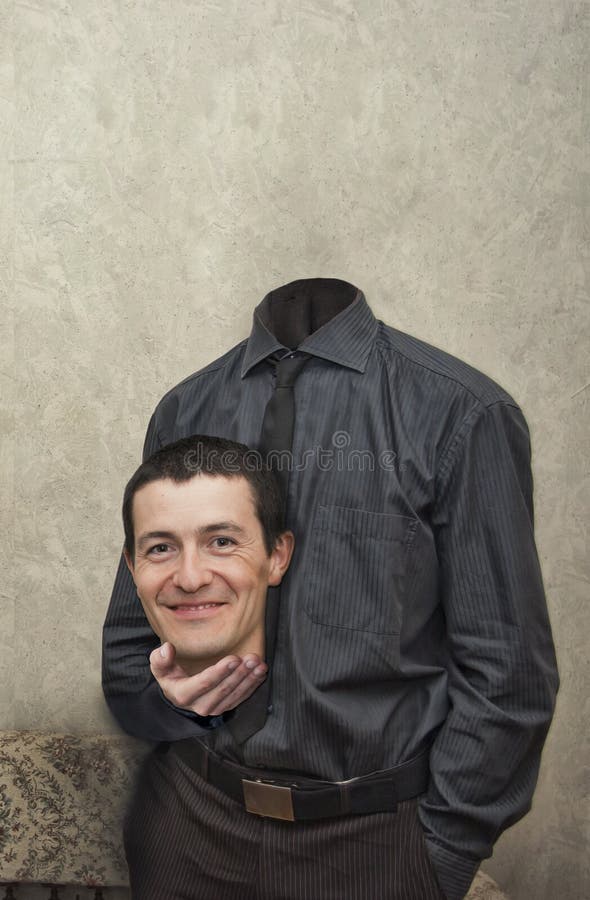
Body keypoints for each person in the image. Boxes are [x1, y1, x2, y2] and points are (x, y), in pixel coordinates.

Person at [103, 278, 559, 900]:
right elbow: (130, 648)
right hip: (189, 828)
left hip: (370, 847)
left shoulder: (460, 412)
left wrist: (440, 852)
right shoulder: (185, 409)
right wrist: (177, 706)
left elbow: (509, 672)